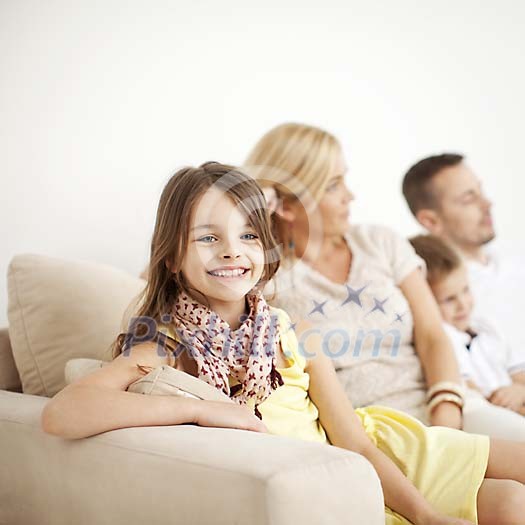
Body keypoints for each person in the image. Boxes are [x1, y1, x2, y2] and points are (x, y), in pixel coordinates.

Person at [41, 161, 525, 525]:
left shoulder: (289, 330)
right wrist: (200, 410)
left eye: (249, 235)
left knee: (513, 494)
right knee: (507, 504)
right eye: (207, 238)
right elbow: (62, 413)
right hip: (332, 482)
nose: (232, 249)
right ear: (172, 257)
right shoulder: (164, 347)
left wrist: (425, 515)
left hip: (376, 451)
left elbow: (354, 439)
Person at [245, 122, 468, 430]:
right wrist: (251, 204)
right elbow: (166, 281)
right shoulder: (265, 278)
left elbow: (432, 335)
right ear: (285, 206)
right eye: (333, 185)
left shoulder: (380, 242)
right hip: (375, 432)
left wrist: (446, 417)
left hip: (447, 408)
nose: (350, 196)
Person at [402, 154, 525, 358]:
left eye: (480, 191)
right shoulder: (442, 298)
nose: (487, 204)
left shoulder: (516, 258)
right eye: (469, 199)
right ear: (430, 221)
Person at [409, 234, 525, 437]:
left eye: (465, 290)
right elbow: (471, 392)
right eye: (448, 299)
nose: (463, 304)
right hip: (490, 415)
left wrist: (519, 391)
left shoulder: (487, 328)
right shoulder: (444, 339)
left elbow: (519, 375)